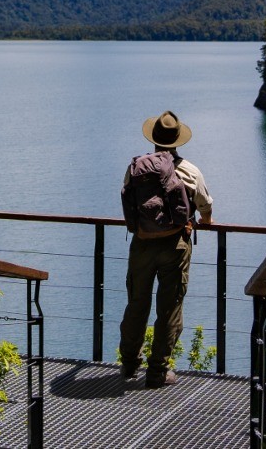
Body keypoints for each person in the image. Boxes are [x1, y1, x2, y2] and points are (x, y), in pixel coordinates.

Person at [118, 110, 214, 388]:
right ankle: (158, 371)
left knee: (137, 302)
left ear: (154, 140)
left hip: (142, 243)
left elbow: (128, 196)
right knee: (170, 307)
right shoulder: (189, 170)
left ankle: (128, 363)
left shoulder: (137, 168)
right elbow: (205, 204)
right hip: (175, 245)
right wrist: (205, 221)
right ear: (177, 140)